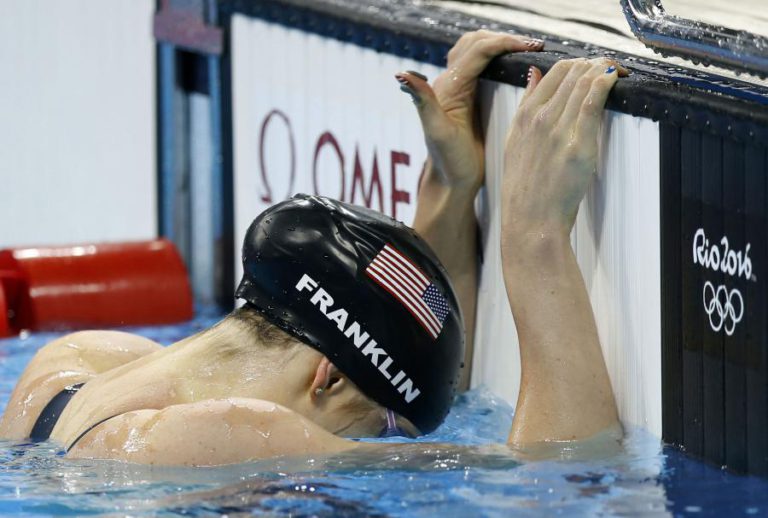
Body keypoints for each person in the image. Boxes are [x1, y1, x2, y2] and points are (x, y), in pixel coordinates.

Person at [0, 31, 627, 466]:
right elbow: (560, 470)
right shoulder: (244, 432)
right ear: (325, 377)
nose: (383, 445)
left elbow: (394, 347)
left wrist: (449, 185)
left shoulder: (70, 372)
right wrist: (532, 233)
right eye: (384, 431)